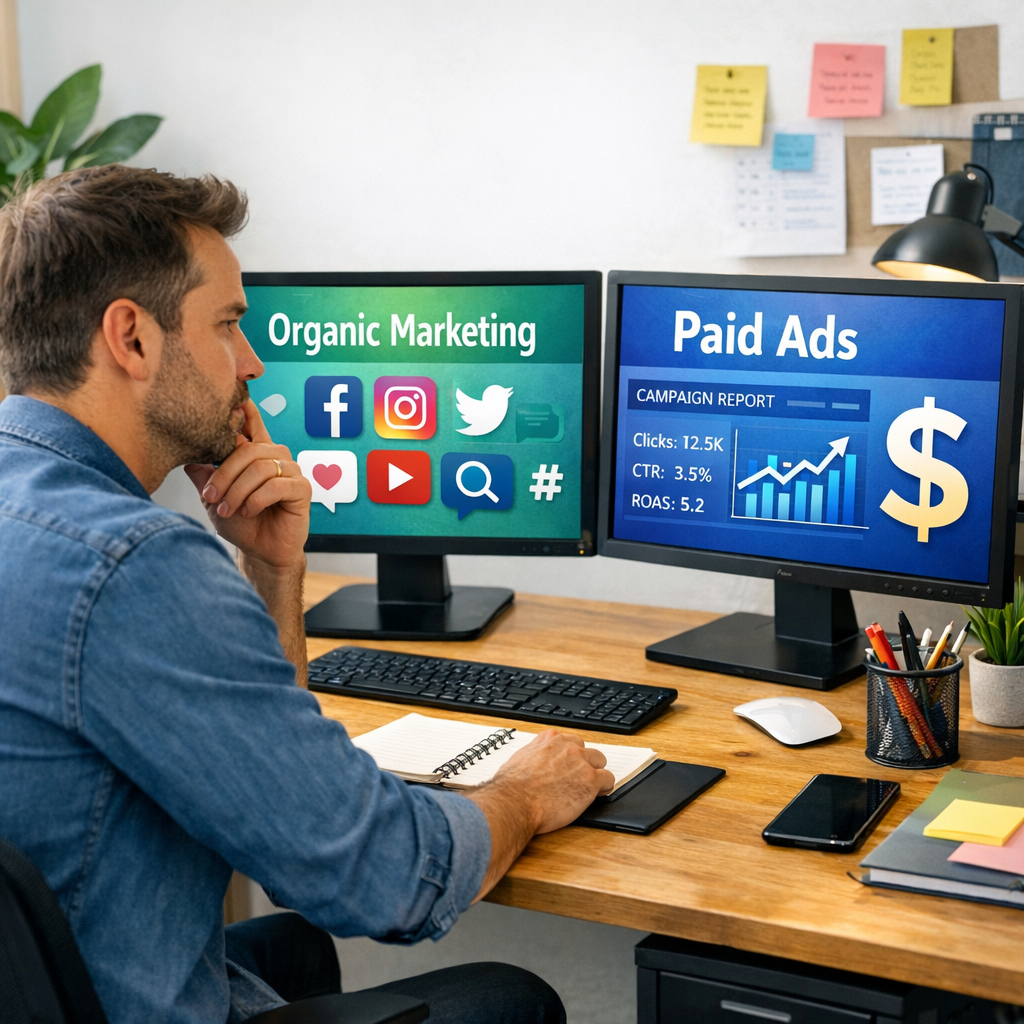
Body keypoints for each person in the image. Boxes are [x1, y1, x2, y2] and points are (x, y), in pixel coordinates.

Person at [0, 165, 614, 1024]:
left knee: (293, 950)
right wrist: (523, 793)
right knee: (509, 1000)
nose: (251, 362)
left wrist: (273, 571)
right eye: (228, 325)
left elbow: (273, 788)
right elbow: (382, 879)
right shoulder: (133, 567)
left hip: (55, 975)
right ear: (131, 339)